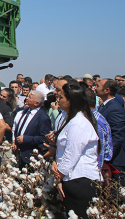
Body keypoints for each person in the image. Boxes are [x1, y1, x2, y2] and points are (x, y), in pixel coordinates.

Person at [50, 83, 101, 219]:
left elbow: (72, 154)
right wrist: (56, 163)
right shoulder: (71, 119)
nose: (58, 101)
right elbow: (63, 150)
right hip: (71, 177)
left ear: (71, 101)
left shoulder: (78, 122)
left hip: (80, 180)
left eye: (61, 97)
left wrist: (59, 177)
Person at [96, 79, 125, 186]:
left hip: (115, 161)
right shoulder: (104, 106)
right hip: (108, 158)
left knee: (116, 193)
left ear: (107, 90)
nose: (95, 88)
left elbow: (117, 135)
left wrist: (106, 157)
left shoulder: (115, 108)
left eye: (98, 86)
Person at [12, 90, 51, 169]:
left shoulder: (43, 118)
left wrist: (26, 139)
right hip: (19, 154)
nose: (27, 98)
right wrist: (15, 141)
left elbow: (44, 138)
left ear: (36, 103)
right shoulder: (25, 111)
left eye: (30, 97)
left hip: (31, 157)